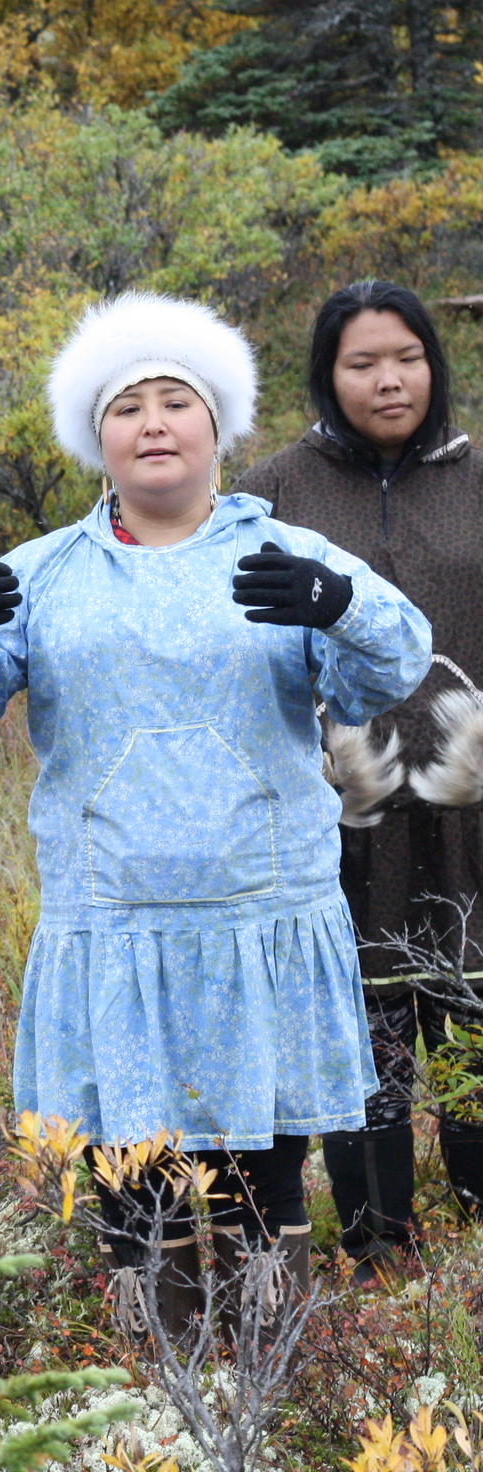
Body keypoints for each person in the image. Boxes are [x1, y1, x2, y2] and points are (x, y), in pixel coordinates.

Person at [0, 292, 432, 1335]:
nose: (152, 422)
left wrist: (337, 606)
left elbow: (397, 657)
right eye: (125, 405)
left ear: (217, 424)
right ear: (97, 437)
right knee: (132, 1163)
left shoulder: (287, 557)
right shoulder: (44, 575)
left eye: (175, 399)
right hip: (114, 916)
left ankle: (269, 1360)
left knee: (262, 1160)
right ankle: (155, 1373)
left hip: (260, 909)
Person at [236, 280, 483, 1274]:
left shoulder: (477, 479)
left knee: (470, 1022)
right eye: (362, 362)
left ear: (435, 364)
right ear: (328, 377)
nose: (389, 380)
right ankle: (379, 1241)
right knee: (358, 1033)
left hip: (472, 805)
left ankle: (472, 1244)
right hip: (339, 811)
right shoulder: (275, 490)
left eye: (407, 358)